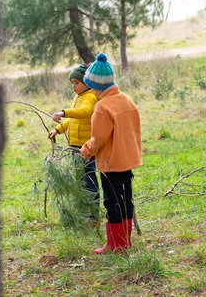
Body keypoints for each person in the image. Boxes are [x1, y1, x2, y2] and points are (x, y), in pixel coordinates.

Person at [80, 53, 142, 254]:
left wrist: (86, 150)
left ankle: (115, 246)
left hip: (111, 163)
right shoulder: (126, 99)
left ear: (94, 85)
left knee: (112, 203)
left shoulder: (102, 106)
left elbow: (99, 139)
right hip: (127, 161)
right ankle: (125, 243)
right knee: (125, 201)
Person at [48, 63, 100, 222]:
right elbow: (73, 120)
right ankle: (84, 210)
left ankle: (94, 214)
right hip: (75, 146)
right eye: (72, 83)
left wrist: (63, 112)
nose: (73, 86)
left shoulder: (90, 97)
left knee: (89, 179)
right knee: (80, 179)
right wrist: (57, 129)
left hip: (86, 147)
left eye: (76, 83)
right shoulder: (77, 97)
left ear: (87, 82)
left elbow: (85, 112)